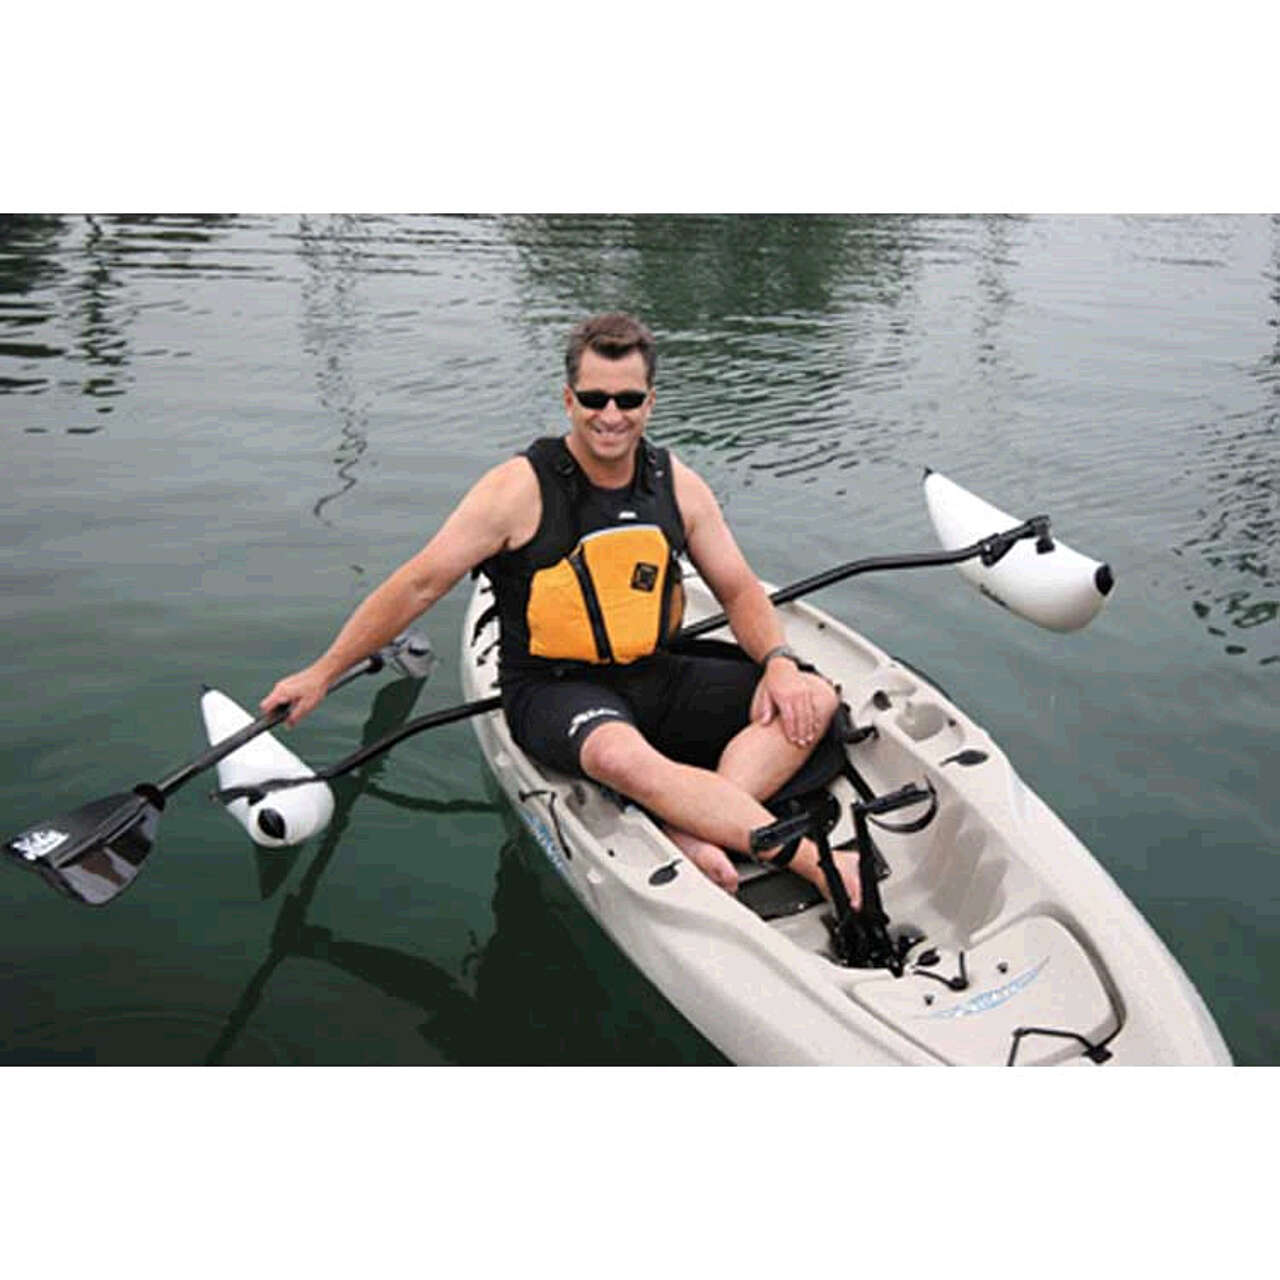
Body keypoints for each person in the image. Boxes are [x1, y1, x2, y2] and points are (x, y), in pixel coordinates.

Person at [262, 313, 861, 907]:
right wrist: (323, 672)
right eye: (594, 398)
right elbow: (418, 585)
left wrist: (778, 662)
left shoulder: (675, 482)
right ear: (569, 399)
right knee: (616, 755)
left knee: (812, 699)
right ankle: (814, 861)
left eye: (628, 399)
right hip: (553, 688)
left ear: (650, 403)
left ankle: (693, 822)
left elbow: (739, 591)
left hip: (653, 672)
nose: (611, 415)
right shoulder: (517, 489)